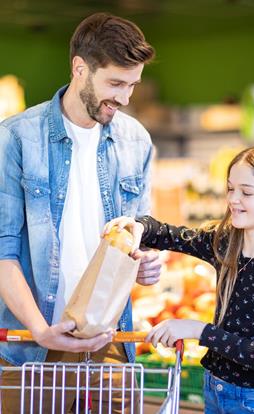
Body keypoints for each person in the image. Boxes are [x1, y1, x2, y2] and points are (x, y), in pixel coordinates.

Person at [0, 12, 162, 412]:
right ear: (80, 68)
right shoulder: (16, 137)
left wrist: (146, 264)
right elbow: (3, 251)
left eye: (132, 85)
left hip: (110, 343)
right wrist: (41, 331)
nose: (125, 98)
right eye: (115, 83)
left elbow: (142, 229)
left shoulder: (135, 140)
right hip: (33, 349)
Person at [105, 144, 254, 414]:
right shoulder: (227, 244)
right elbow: (173, 235)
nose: (233, 199)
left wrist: (198, 331)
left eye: (246, 192)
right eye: (230, 189)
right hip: (214, 389)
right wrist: (140, 226)